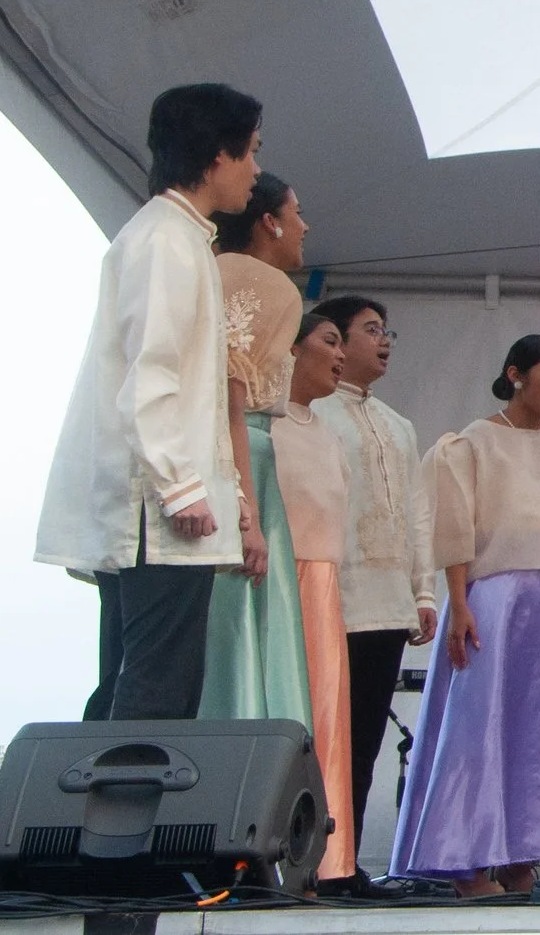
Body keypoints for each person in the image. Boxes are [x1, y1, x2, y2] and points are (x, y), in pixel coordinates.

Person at [38, 83, 261, 721]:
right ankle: (129, 817)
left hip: (157, 505)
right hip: (157, 515)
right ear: (217, 156)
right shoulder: (166, 239)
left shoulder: (179, 236)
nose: (256, 171)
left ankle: (102, 814)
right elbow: (150, 373)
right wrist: (181, 485)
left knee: (133, 682)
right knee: (156, 689)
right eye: (250, 152)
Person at [390, 335, 540, 895]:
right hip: (492, 600)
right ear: (516, 374)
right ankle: (468, 864)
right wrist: (459, 603)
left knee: (536, 733)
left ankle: (520, 856)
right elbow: (457, 533)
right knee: (479, 727)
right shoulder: (474, 443)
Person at [314, 294, 436, 864]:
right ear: (335, 340)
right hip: (332, 602)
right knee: (321, 739)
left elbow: (417, 513)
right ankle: (307, 863)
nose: (384, 340)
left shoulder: (398, 426)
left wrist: (423, 591)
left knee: (364, 741)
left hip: (388, 607)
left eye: (387, 331)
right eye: (371, 330)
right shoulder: (313, 415)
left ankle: (346, 862)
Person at [200, 174, 310, 729]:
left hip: (204, 454)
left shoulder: (210, 269)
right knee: (245, 610)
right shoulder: (270, 284)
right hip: (246, 457)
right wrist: (246, 511)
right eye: (295, 212)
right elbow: (232, 390)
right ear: (269, 221)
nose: (304, 226)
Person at [272, 313, 359, 884]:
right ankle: (265, 852)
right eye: (329, 342)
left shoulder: (327, 431)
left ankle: (324, 863)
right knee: (281, 713)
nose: (339, 355)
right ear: (292, 349)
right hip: (276, 584)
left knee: (326, 723)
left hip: (324, 586)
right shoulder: (264, 425)